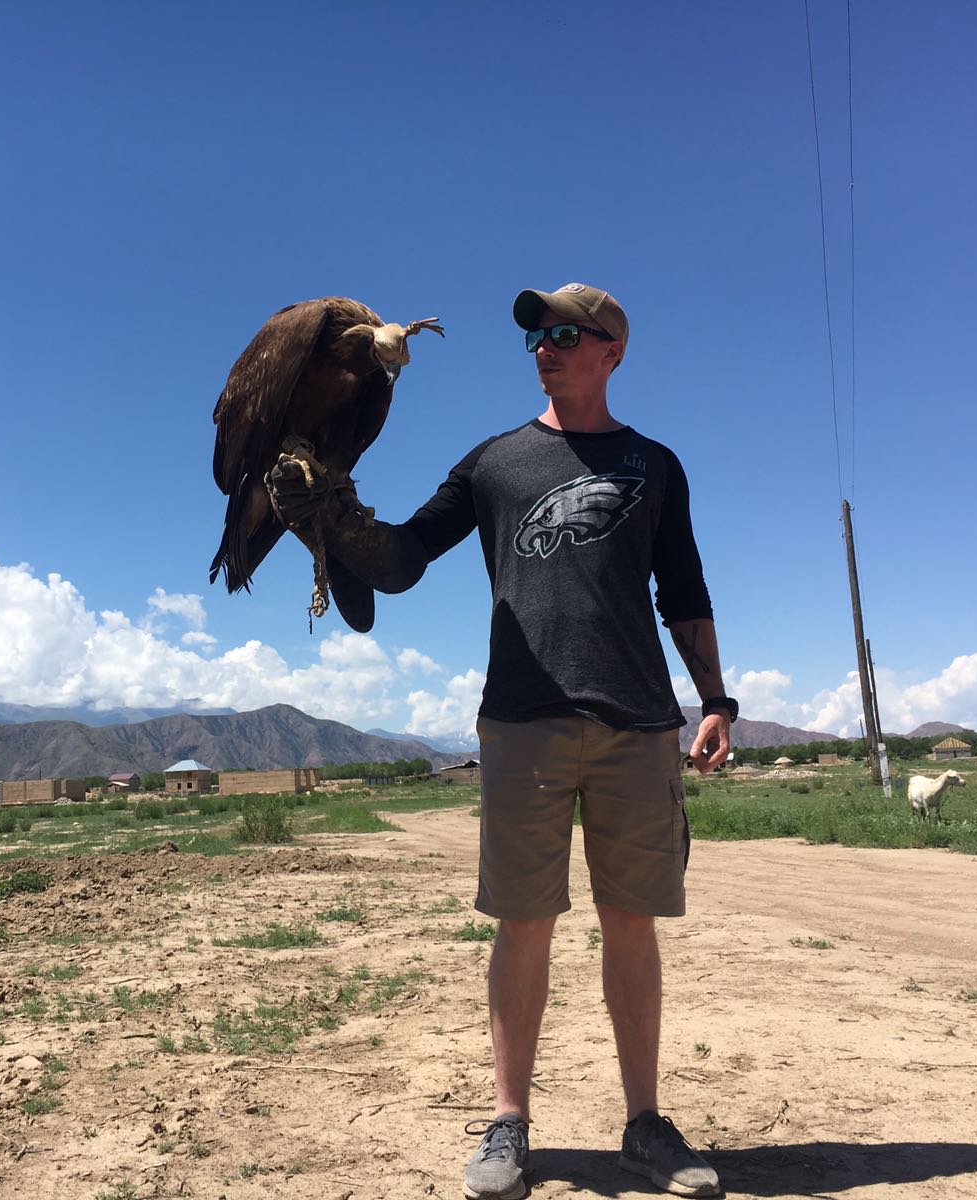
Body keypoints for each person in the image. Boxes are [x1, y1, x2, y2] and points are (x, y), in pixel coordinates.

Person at [267, 283, 732, 1199]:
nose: (545, 347)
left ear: (612, 351)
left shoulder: (656, 465)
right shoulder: (493, 462)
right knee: (524, 926)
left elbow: (683, 590)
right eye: (536, 337)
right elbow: (402, 561)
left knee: (631, 925)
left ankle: (645, 1124)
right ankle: (508, 1123)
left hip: (639, 721)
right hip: (521, 720)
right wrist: (330, 517)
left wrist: (716, 697)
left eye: (565, 334)